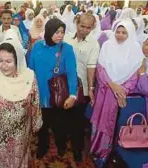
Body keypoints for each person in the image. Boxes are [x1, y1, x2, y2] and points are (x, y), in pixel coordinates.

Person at [0, 39, 42, 168]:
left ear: (18, 60)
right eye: (0, 61)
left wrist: (36, 124)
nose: (4, 65)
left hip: (22, 133)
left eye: (9, 61)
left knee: (19, 161)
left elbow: (35, 102)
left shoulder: (29, 76)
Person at [90, 20, 144, 167]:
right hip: (106, 92)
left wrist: (122, 90)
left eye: (124, 32)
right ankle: (99, 150)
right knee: (103, 121)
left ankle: (115, 153)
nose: (120, 35)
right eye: (118, 31)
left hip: (122, 96)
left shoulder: (135, 50)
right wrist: (112, 84)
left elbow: (135, 76)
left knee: (118, 125)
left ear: (130, 33)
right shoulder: (107, 46)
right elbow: (100, 69)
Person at [28, 18, 78, 159]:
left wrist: (73, 95)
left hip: (58, 94)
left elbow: (72, 73)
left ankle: (61, 146)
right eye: (57, 32)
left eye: (62, 32)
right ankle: (43, 146)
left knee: (59, 124)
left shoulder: (67, 49)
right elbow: (30, 70)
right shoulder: (37, 46)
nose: (60, 35)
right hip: (40, 93)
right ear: (49, 31)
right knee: (41, 124)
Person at [64, 13, 100, 162]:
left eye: (88, 28)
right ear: (76, 23)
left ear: (92, 28)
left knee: (78, 120)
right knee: (65, 115)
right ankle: (64, 140)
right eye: (82, 26)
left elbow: (91, 67)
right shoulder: (66, 38)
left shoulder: (94, 44)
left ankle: (77, 149)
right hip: (64, 84)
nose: (84, 30)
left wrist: (90, 88)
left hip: (81, 87)